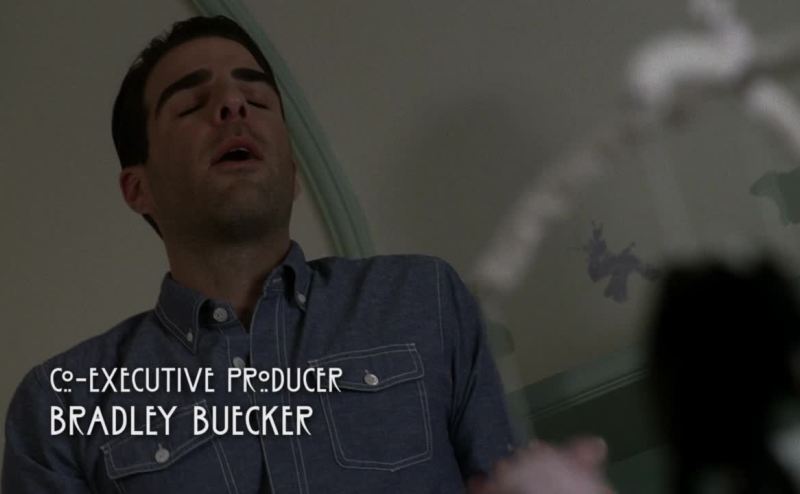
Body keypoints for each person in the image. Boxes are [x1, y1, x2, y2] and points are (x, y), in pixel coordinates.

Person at [2, 16, 517, 494]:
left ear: (292, 173)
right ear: (139, 189)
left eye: (257, 98)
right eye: (191, 105)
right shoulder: (59, 403)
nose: (233, 105)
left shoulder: (425, 298)